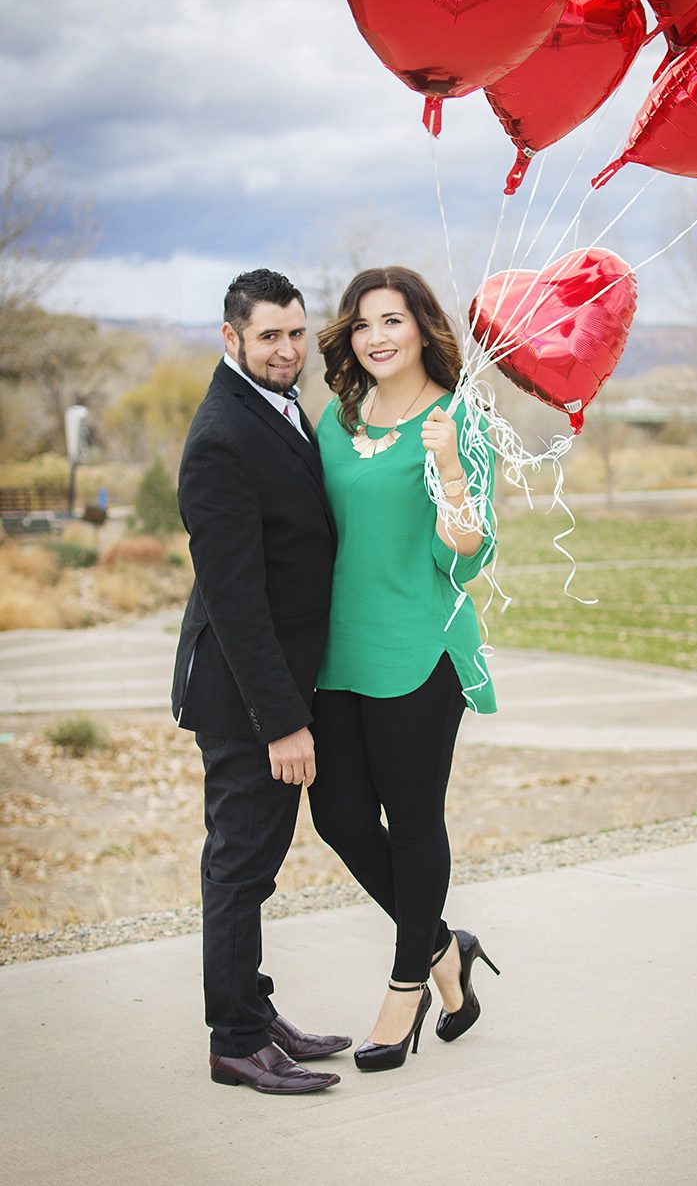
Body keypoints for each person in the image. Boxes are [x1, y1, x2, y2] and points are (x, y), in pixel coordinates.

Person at [311, 265, 499, 1073]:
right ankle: (443, 948)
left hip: (420, 649)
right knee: (339, 816)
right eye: (361, 324)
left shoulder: (459, 417)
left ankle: (404, 984)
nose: (376, 337)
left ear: (423, 326)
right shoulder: (338, 415)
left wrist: (452, 466)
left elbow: (470, 547)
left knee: (414, 818)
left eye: (391, 320)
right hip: (334, 654)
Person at [171, 269, 350, 1095]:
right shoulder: (220, 439)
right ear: (231, 337)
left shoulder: (277, 410)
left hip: (275, 682)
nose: (285, 350)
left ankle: (254, 1006)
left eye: (294, 333)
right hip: (246, 695)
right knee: (241, 864)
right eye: (267, 336)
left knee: (259, 859)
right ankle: (235, 1040)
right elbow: (238, 603)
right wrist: (282, 722)